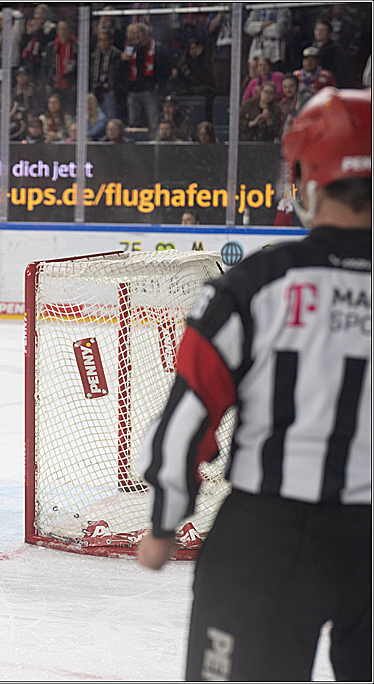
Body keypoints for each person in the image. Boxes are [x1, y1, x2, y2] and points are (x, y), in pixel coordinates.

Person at [136, 88, 371, 681]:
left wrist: (165, 521)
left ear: (305, 178)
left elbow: (189, 412)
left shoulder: (254, 284)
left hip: (266, 541)